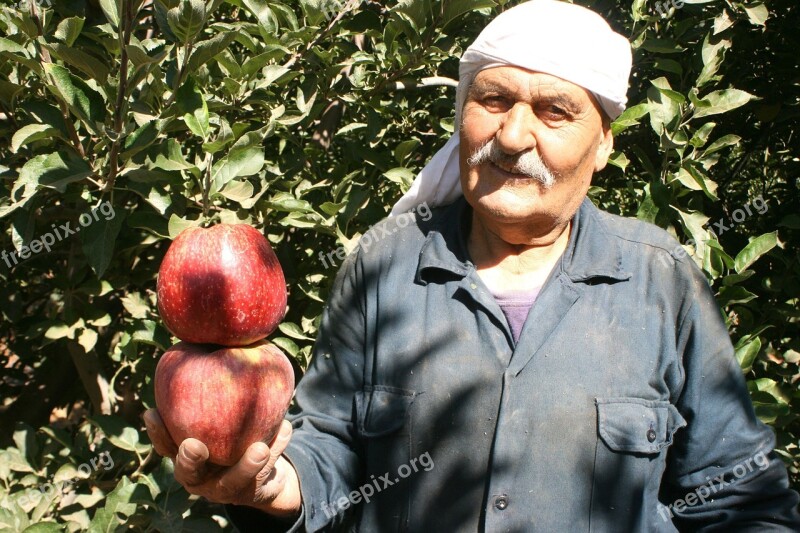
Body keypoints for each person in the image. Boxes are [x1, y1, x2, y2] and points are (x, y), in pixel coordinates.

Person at [144, 1, 800, 530]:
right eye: (493, 101)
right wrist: (273, 483)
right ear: (462, 114)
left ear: (602, 144)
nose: (513, 138)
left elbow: (742, 501)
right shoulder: (384, 264)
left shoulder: (662, 282)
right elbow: (329, 446)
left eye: (554, 111)